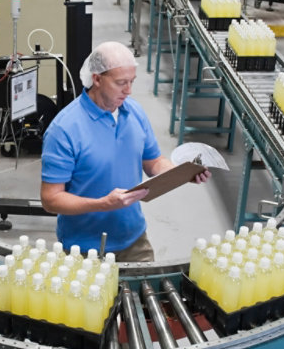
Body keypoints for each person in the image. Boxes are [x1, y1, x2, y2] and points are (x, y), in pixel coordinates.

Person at [40, 41, 211, 262]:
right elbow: (50, 199)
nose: (128, 90)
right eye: (121, 83)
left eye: (132, 82)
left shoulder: (135, 113)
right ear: (97, 79)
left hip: (134, 240)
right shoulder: (64, 129)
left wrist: (182, 173)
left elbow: (153, 161)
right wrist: (103, 204)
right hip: (83, 248)